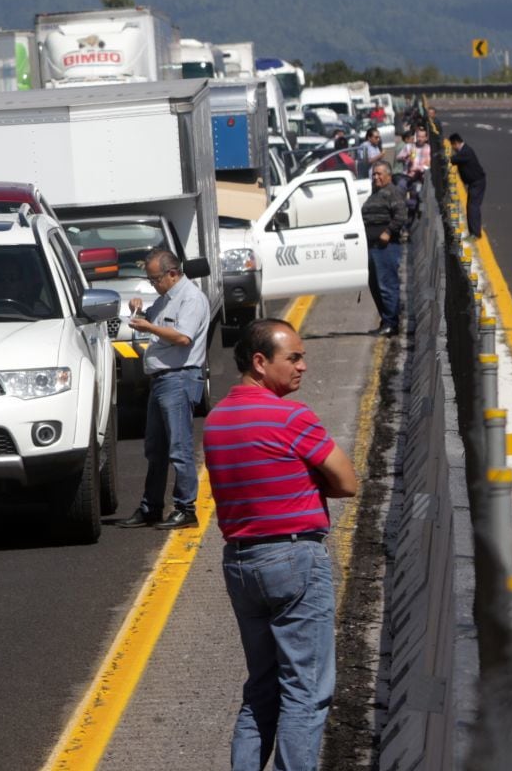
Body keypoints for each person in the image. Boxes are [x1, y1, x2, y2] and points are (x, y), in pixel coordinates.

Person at [204, 319, 357, 771]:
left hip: (241, 564)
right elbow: (347, 481)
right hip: (294, 560)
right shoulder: (291, 417)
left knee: (262, 688)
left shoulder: (216, 421)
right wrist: (309, 483)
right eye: (293, 358)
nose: (303, 367)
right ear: (260, 362)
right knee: (305, 690)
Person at [117, 248, 211, 531]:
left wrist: (149, 326)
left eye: (155, 279)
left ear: (172, 274)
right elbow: (152, 323)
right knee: (155, 448)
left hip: (179, 378)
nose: (153, 285)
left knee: (179, 447)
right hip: (161, 379)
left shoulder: (191, 298)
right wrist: (138, 311)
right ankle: (151, 507)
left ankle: (185, 508)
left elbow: (182, 337)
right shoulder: (165, 299)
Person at [362, 164, 408, 336]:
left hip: (386, 247)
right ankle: (386, 320)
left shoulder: (392, 192)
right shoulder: (375, 193)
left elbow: (401, 215)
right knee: (375, 286)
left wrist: (388, 232)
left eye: (379, 174)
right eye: (374, 174)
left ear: (388, 176)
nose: (376, 177)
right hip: (372, 247)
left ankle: (391, 323)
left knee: (387, 285)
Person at [450, 132, 487, 239]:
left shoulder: (466, 151)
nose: (453, 148)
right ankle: (473, 232)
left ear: (456, 143)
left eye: (453, 146)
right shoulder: (465, 150)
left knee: (473, 207)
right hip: (474, 183)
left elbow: (453, 159)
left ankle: (475, 233)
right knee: (471, 207)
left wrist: (445, 158)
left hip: (477, 183)